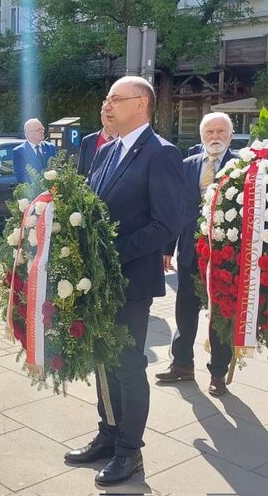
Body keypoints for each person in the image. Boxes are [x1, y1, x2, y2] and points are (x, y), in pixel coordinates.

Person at [65, 76, 184, 487]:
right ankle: (108, 433)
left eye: (116, 99)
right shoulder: (107, 149)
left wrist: (108, 256)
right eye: (107, 99)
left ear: (141, 104)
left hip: (129, 281)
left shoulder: (161, 154)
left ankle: (129, 451)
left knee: (127, 365)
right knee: (101, 360)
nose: (108, 105)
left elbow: (166, 222)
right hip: (96, 281)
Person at [156, 112, 237, 397]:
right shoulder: (188, 165)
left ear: (230, 133)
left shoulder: (242, 165)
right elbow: (176, 209)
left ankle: (217, 373)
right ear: (201, 136)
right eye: (209, 132)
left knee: (219, 314)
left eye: (220, 131)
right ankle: (182, 364)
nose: (215, 137)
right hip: (190, 252)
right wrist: (168, 248)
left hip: (226, 256)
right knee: (185, 310)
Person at [12, 118, 56, 185]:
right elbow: (22, 177)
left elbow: (57, 169)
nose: (42, 132)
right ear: (29, 133)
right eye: (38, 130)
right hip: (33, 192)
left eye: (42, 129)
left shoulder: (50, 148)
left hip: (52, 191)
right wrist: (41, 185)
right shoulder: (19, 151)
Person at [77, 106, 116, 176]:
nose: (107, 118)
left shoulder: (125, 140)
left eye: (111, 115)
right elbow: (80, 173)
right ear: (101, 116)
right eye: (105, 114)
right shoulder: (87, 141)